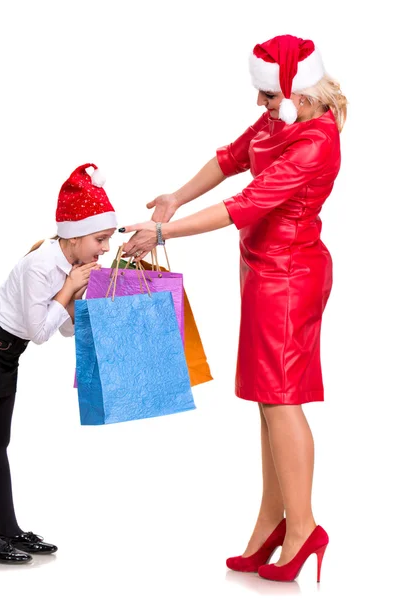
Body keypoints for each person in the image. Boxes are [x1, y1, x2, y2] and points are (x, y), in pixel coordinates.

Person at [119, 35, 347, 583]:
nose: (261, 106)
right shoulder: (278, 123)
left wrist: (162, 231)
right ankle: (273, 521)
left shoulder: (316, 141)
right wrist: (175, 196)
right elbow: (230, 159)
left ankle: (304, 527)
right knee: (268, 399)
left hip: (291, 276)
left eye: (269, 96)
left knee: (282, 399)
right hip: (263, 270)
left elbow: (244, 205)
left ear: (300, 91)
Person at [0, 163, 117, 564]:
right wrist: (70, 289)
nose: (105, 248)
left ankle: (8, 530)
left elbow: (62, 330)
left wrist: (84, 299)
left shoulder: (71, 265)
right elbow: (40, 332)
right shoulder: (41, 267)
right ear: (74, 236)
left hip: (6, 353)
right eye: (101, 238)